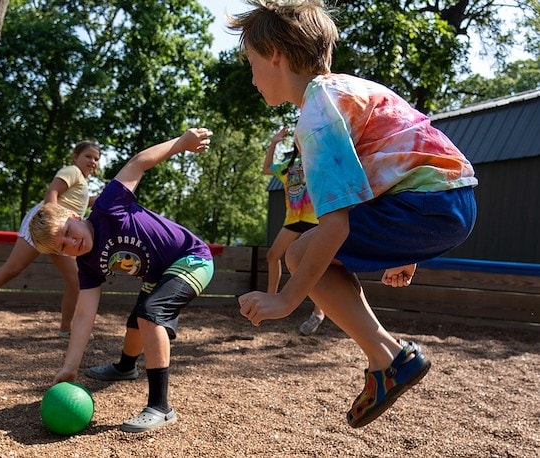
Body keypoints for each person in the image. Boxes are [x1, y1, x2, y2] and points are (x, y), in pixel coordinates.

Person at [229, 0, 477, 428]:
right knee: (307, 251)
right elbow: (406, 152)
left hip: (426, 205)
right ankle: (388, 359)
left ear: (275, 53)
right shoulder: (349, 88)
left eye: (252, 63)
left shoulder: (317, 116)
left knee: (300, 254)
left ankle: (388, 358)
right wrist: (405, 247)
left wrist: (287, 299)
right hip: (449, 200)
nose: (252, 79)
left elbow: (336, 223)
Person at [29, 127, 214, 433]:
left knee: (150, 314)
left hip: (192, 258)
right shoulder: (87, 264)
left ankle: (160, 407)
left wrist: (181, 143)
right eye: (62, 247)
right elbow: (84, 315)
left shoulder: (108, 208)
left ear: (75, 218)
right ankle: (125, 368)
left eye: (67, 234)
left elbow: (138, 162)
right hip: (158, 274)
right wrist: (69, 367)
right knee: (136, 321)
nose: (70, 244)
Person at [0, 140, 101, 338]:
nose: (93, 161)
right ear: (75, 156)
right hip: (43, 226)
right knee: (12, 269)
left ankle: (67, 329)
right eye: (88, 156)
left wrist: (95, 200)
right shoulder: (72, 171)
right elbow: (52, 192)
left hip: (61, 235)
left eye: (97, 158)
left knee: (76, 280)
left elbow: (75, 203)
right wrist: (49, 221)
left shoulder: (82, 182)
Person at [262, 126, 324, 336]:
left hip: (313, 220)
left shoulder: (317, 162)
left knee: (311, 265)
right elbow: (266, 168)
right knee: (272, 256)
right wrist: (273, 142)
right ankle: (270, 300)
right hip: (292, 220)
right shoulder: (289, 167)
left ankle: (318, 313)